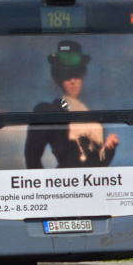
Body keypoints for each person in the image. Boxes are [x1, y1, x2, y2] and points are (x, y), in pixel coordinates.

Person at [24, 40, 119, 169]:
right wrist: (44, 185)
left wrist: (109, 148)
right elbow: (32, 156)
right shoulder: (51, 109)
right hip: (65, 184)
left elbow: (99, 162)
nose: (73, 81)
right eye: (67, 76)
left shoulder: (91, 113)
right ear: (59, 78)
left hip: (94, 183)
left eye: (77, 74)